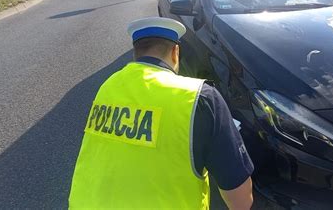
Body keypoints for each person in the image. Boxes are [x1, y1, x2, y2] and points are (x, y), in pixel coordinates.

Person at [69, 17, 254, 209]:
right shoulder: (199, 97)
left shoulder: (108, 86)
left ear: (136, 54)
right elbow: (241, 200)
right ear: (175, 52)